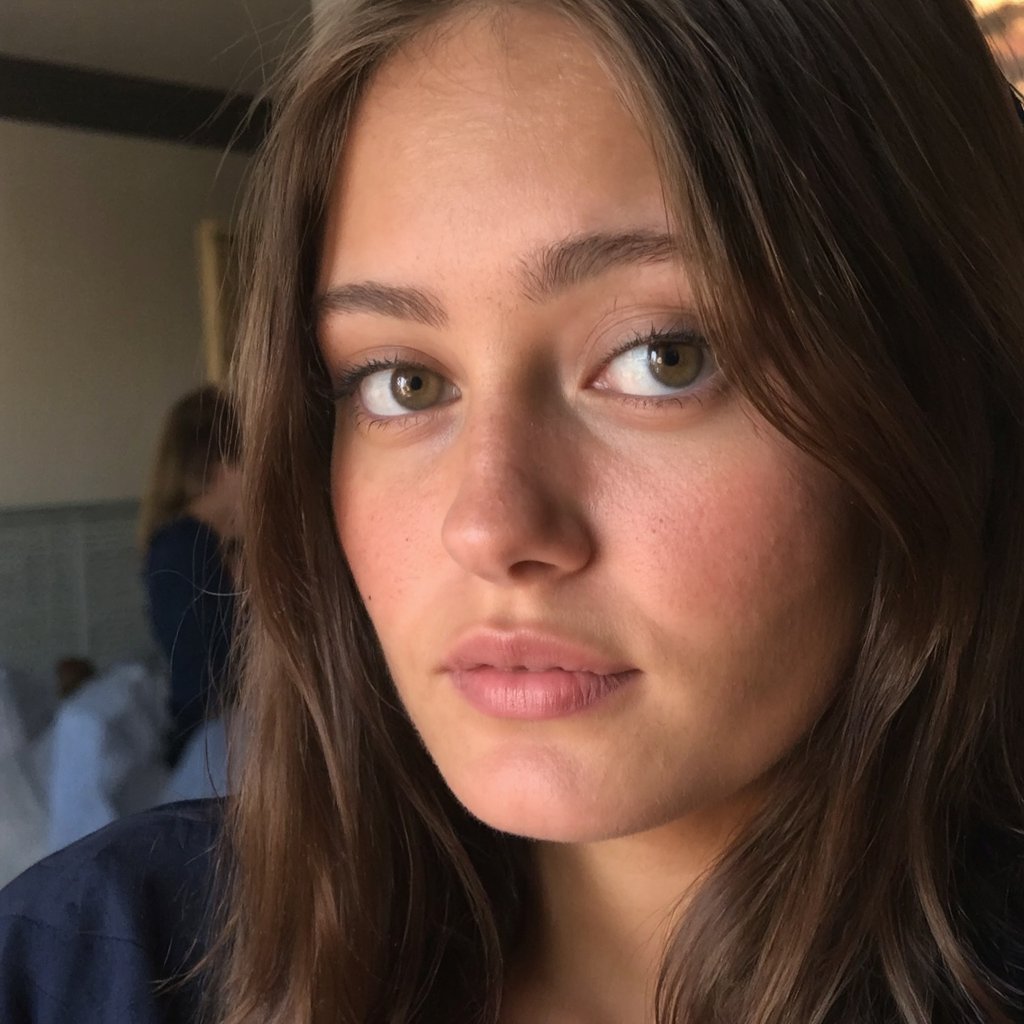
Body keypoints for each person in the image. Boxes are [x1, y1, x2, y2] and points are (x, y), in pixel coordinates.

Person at [3, 1, 1024, 1021]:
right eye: (401, 380)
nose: (488, 525)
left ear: (944, 394)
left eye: (666, 356)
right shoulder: (94, 967)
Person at [138, 385, 241, 765]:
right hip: (210, 745)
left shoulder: (200, 545)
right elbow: (202, 679)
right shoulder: (183, 550)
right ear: (223, 468)